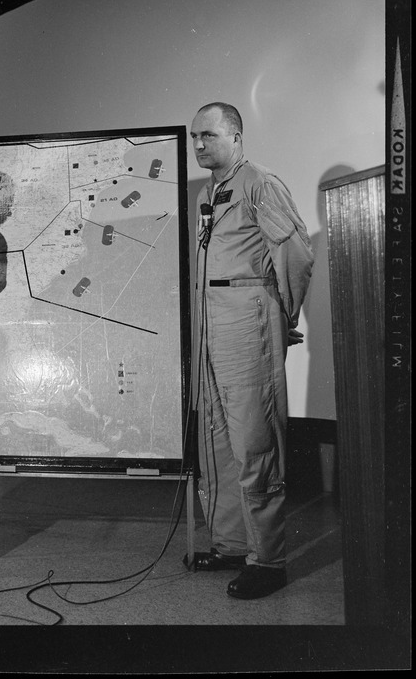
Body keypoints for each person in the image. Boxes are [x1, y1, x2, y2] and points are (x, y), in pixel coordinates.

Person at [185, 102, 314, 599]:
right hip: (210, 320)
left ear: (236, 136)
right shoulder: (208, 190)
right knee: (218, 437)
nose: (199, 144)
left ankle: (269, 560)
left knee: (255, 442)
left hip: (246, 319)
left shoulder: (260, 184)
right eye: (195, 136)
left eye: (209, 136)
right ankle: (232, 544)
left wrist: (283, 315)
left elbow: (296, 253)